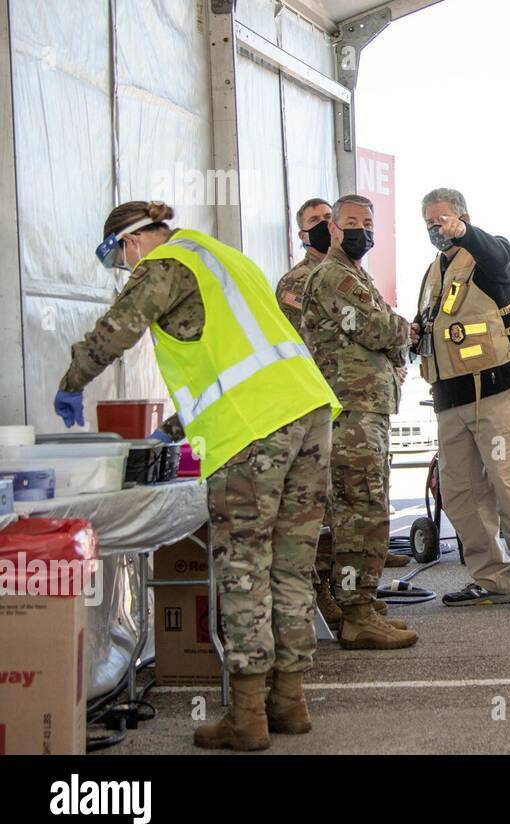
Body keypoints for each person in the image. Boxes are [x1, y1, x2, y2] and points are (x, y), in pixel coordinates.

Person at [55, 200, 339, 751]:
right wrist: (181, 426)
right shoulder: (225, 259)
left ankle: (248, 717)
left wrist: (72, 379)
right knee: (291, 565)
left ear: (133, 240)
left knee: (243, 566)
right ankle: (291, 702)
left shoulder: (164, 264)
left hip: (254, 430)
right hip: (308, 413)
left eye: (120, 257)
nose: (125, 269)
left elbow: (118, 328)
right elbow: (240, 357)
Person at [416, 187, 510, 610]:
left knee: (509, 484)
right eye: (430, 222)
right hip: (450, 397)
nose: (437, 229)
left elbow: (500, 257)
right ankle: (491, 577)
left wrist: (468, 233)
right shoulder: (434, 272)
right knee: (458, 493)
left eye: (444, 220)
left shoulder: (493, 258)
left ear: (463, 217)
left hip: (497, 391)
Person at [299, 194, 418, 649]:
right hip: (349, 411)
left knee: (367, 510)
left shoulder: (355, 274)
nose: (361, 230)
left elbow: (382, 325)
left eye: (368, 222)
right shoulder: (332, 276)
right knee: (356, 513)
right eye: (351, 222)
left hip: (366, 409)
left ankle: (363, 606)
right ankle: (355, 614)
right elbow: (379, 328)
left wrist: (392, 329)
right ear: (332, 230)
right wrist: (397, 330)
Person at [277, 197, 343, 627]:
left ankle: (342, 587)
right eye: (314, 222)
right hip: (316, 404)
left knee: (345, 503)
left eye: (328, 219)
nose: (324, 226)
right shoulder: (300, 280)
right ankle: (321, 596)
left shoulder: (343, 273)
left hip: (347, 401)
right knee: (320, 505)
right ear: (302, 235)